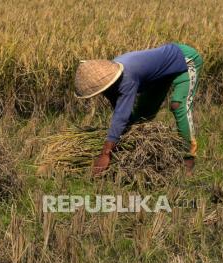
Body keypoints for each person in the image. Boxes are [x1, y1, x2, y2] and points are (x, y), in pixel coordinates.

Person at [74, 43, 203, 176]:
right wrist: (121, 143)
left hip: (184, 59)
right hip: (159, 74)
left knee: (178, 104)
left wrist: (105, 153)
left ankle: (189, 157)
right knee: (142, 117)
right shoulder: (108, 80)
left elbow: (121, 116)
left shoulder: (127, 77)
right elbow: (122, 112)